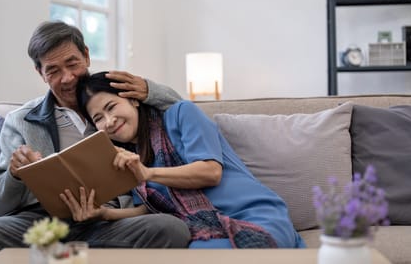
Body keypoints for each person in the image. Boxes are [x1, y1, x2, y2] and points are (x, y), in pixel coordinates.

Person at [0, 21, 191, 263]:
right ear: (40, 74)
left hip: (109, 221)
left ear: (86, 56)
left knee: (171, 229)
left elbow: (183, 114)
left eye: (72, 64)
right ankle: (74, 256)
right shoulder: (20, 121)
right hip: (41, 225)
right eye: (53, 70)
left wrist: (149, 90)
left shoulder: (118, 99)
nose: (67, 78)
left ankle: (65, 257)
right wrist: (15, 174)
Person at [62, 71, 306, 249]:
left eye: (112, 107)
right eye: (99, 118)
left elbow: (210, 172)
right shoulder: (126, 158)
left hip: (254, 215)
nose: (110, 121)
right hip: (203, 233)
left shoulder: (181, 114)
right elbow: (149, 210)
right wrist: (103, 215)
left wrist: (147, 173)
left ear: (133, 100)